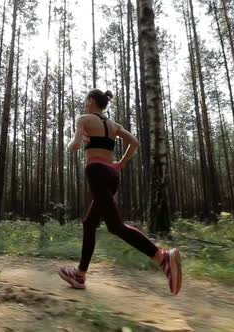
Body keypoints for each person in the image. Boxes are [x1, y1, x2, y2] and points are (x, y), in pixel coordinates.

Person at [58, 89, 182, 296]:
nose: (84, 104)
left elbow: (75, 146)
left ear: (90, 101)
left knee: (115, 226)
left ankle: (163, 257)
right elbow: (134, 142)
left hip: (96, 172)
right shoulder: (113, 125)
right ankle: (80, 275)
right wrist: (121, 163)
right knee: (90, 223)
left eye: (85, 101)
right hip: (111, 174)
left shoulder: (84, 119)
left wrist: (73, 142)